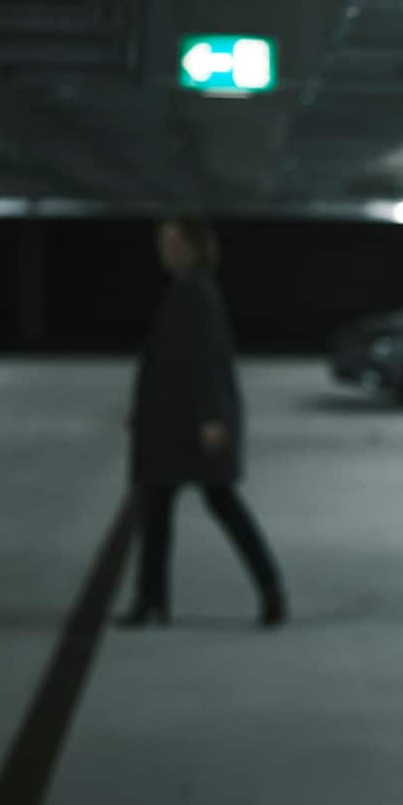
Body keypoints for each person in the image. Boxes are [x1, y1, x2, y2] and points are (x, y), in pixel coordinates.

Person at [120, 217, 286, 628]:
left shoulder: (197, 294)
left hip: (190, 429)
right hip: (170, 427)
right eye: (163, 242)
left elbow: (208, 360)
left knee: (222, 504)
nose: (167, 250)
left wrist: (211, 418)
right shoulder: (183, 291)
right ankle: (151, 599)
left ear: (195, 247)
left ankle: (271, 591)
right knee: (157, 511)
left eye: (174, 242)